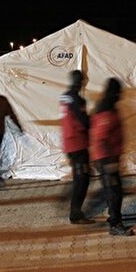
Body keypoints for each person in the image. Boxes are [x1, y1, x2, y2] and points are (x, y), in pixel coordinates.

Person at [90, 78, 133, 236]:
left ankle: (113, 218)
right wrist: (108, 162)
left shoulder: (108, 106)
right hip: (106, 158)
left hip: (110, 157)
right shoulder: (106, 110)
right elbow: (100, 137)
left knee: (114, 190)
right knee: (114, 191)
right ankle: (115, 224)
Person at [60, 70, 95, 225]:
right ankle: (75, 214)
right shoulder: (77, 99)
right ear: (82, 82)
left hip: (69, 142)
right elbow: (84, 121)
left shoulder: (64, 96)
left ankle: (70, 199)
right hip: (78, 143)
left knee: (83, 176)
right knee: (82, 179)